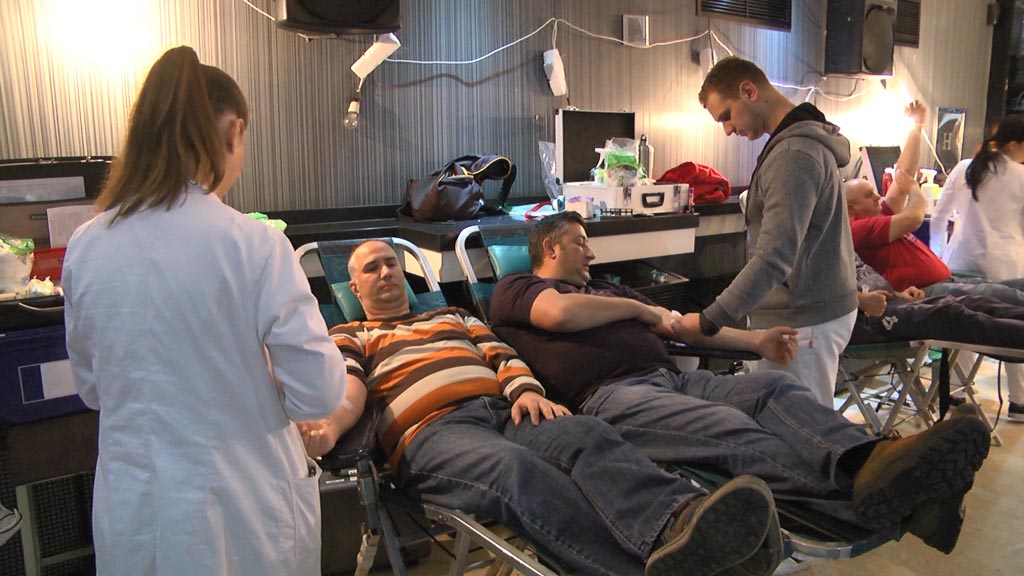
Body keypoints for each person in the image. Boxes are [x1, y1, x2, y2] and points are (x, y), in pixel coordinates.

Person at [488, 211, 992, 556]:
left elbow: (682, 325)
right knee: (728, 429)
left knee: (776, 390)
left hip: (674, 379)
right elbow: (558, 314)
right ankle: (879, 500)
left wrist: (756, 342)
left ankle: (878, 464)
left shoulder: (605, 288)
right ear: (549, 246)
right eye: (581, 242)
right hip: (613, 397)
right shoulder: (518, 288)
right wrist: (638, 309)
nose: (591, 253)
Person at [301, 240, 779, 576]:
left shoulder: (453, 316)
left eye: (391, 264)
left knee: (587, 435)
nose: (386, 273)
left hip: (505, 411)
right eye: (372, 269)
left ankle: (685, 524)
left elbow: (502, 355)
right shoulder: (350, 335)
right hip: (434, 433)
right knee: (517, 470)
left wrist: (525, 391)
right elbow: (349, 389)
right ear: (354, 290)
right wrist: (330, 428)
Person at [62, 47, 353, 575]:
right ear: (234, 132)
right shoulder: (254, 244)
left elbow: (93, 389)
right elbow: (317, 393)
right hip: (241, 509)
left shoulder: (85, 246)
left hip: (135, 511)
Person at [696, 56, 858, 405]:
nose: (727, 130)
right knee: (790, 423)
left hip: (803, 317)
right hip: (809, 309)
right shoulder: (797, 144)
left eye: (726, 116)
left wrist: (710, 321)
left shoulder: (792, 153)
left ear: (749, 91)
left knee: (802, 427)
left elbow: (773, 257)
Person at [852, 254, 1024, 349]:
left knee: (974, 303)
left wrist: (899, 293)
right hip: (863, 319)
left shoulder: (845, 240)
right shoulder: (853, 230)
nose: (877, 200)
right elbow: (834, 294)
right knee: (948, 314)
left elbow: (867, 281)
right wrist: (861, 300)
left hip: (890, 302)